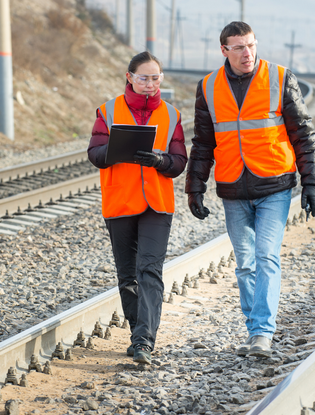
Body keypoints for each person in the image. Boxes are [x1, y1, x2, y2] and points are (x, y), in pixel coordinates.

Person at [185, 22, 315, 358]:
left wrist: (311, 181)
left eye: (250, 45)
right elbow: (204, 143)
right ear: (224, 51)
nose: (247, 53)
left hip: (274, 184)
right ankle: (254, 330)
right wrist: (195, 187)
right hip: (233, 187)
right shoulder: (208, 87)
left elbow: (302, 132)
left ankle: (262, 332)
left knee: (265, 256)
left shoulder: (279, 77)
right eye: (238, 47)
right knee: (245, 263)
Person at [87, 51, 187, 365]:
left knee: (150, 271)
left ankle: (145, 341)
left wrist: (162, 161)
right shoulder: (109, 110)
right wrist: (117, 150)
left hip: (157, 204)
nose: (149, 84)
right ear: (130, 77)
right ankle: (136, 333)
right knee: (127, 275)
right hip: (120, 201)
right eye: (143, 77)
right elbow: (95, 153)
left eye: (155, 78)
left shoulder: (172, 114)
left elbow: (179, 161)